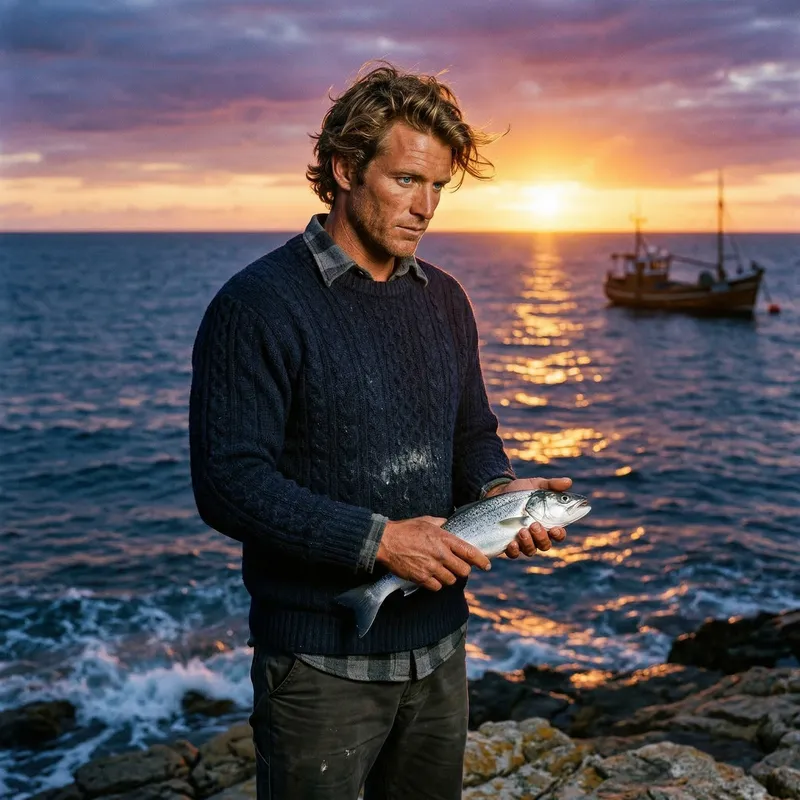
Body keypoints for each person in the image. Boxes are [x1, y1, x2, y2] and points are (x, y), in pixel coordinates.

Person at [189, 62, 573, 800]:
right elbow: (228, 483)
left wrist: (499, 493)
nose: (425, 207)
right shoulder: (258, 305)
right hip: (318, 664)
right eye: (406, 180)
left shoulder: (447, 300)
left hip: (441, 649)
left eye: (438, 186)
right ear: (344, 168)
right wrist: (380, 541)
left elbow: (472, 432)